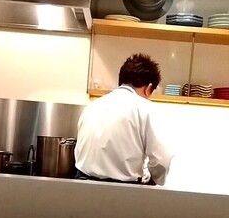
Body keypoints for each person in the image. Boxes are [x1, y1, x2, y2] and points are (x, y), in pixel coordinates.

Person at [74, 53, 173, 185]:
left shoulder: (92, 106)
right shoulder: (146, 108)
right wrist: (154, 180)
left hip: (81, 185)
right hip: (122, 190)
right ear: (149, 88)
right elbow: (162, 159)